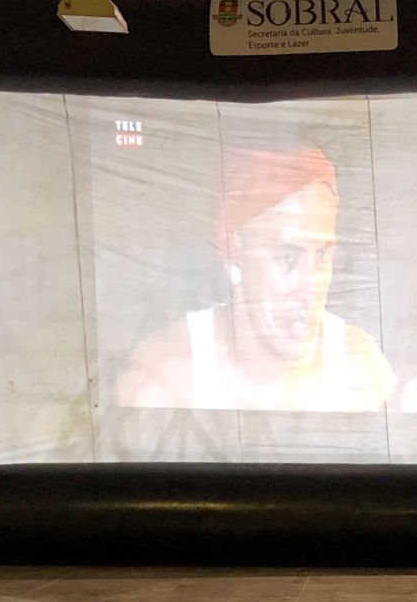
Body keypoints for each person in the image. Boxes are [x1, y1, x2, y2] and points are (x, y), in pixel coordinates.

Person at [118, 145, 396, 414]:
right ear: (233, 254)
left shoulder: (361, 368)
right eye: (288, 259)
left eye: (322, 257)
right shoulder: (165, 375)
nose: (310, 290)